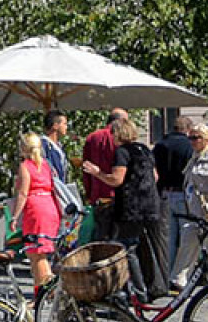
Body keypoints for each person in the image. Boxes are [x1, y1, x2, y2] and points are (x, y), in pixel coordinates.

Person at [82, 116, 165, 301]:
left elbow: (116, 180)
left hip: (131, 207)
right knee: (137, 246)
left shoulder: (122, 152)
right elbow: (155, 177)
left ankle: (137, 291)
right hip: (150, 205)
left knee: (127, 247)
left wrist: (97, 173)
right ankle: (144, 287)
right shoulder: (144, 149)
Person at [170, 122, 208, 291]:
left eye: (195, 138)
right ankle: (178, 280)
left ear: (206, 138)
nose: (191, 141)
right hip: (196, 211)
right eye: (190, 137)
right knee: (188, 242)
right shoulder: (195, 156)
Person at [12, 132, 61, 291]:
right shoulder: (46, 165)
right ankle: (39, 293)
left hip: (36, 210)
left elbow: (23, 193)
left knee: (36, 253)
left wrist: (14, 216)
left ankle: (50, 288)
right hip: (50, 207)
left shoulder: (26, 165)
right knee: (39, 252)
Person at [153, 114, 194, 273]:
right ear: (188, 130)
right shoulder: (189, 146)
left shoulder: (160, 145)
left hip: (164, 193)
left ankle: (166, 272)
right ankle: (181, 274)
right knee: (186, 236)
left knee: (168, 237)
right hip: (183, 194)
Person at [82, 108, 128, 241]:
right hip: (120, 196)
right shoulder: (121, 137)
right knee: (120, 239)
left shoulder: (92, 138)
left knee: (101, 238)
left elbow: (86, 170)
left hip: (99, 197)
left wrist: (89, 194)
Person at [42, 111, 71, 183]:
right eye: (65, 124)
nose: (66, 127)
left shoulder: (59, 147)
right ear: (55, 126)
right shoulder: (43, 145)